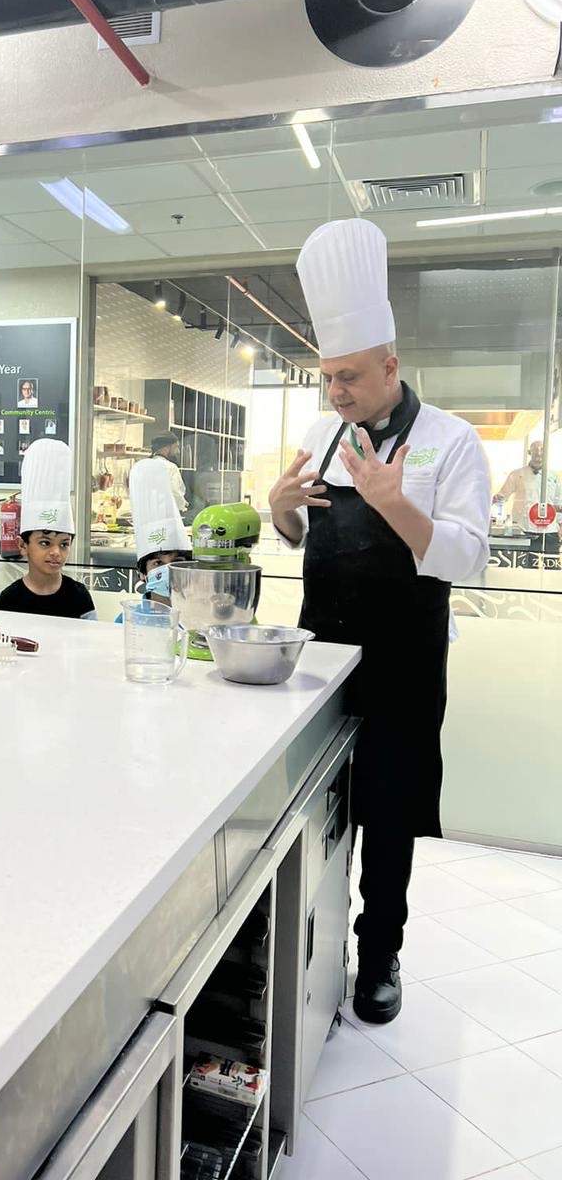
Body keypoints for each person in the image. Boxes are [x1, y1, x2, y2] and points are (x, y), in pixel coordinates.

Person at [269, 219, 490, 1026]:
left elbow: (468, 557)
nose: (336, 392)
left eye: (350, 376)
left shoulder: (451, 442)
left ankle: (380, 954)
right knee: (320, 810)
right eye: (328, 377)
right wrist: (279, 509)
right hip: (322, 655)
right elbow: (301, 536)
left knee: (388, 818)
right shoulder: (319, 436)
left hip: (403, 661)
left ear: (391, 365)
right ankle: (314, 949)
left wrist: (399, 507)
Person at [0, 440, 96, 620]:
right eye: (45, 543)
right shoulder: (11, 598)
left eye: (64, 544)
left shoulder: (79, 596)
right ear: (23, 545)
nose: (56, 552)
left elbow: (91, 635)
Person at [129, 458, 192, 604]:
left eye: (177, 562)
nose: (168, 570)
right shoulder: (128, 617)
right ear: (143, 574)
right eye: (158, 563)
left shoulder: (200, 615)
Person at [494, 440, 562, 567]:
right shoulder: (516, 474)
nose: (539, 454)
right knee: (524, 568)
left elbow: (558, 502)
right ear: (530, 453)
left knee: (550, 568)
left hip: (549, 531)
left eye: (542, 451)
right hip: (524, 530)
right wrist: (497, 499)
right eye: (535, 451)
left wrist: (560, 525)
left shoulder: (554, 476)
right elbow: (503, 495)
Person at [151, 434, 188, 513]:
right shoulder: (171, 468)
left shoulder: (142, 466)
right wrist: (182, 506)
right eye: (176, 447)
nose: (178, 451)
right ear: (166, 448)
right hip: (164, 514)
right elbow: (175, 492)